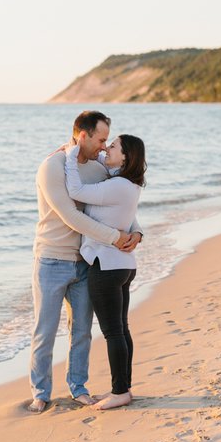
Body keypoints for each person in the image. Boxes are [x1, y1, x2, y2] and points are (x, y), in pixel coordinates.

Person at [28, 111, 143, 413]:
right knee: (46, 329)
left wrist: (136, 231)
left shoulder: (97, 169)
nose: (105, 148)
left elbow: (119, 202)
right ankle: (40, 392)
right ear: (83, 136)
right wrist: (115, 237)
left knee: (81, 331)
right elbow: (71, 216)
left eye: (108, 142)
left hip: (84, 262)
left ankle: (78, 387)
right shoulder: (51, 167)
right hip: (52, 259)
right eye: (102, 140)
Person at [63, 133, 147, 410]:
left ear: (125, 156)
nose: (106, 148)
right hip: (122, 266)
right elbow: (102, 160)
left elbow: (75, 191)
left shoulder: (118, 185)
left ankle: (120, 391)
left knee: (113, 332)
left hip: (106, 266)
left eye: (113, 146)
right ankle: (125, 387)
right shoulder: (127, 184)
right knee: (121, 329)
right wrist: (87, 149)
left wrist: (68, 156)